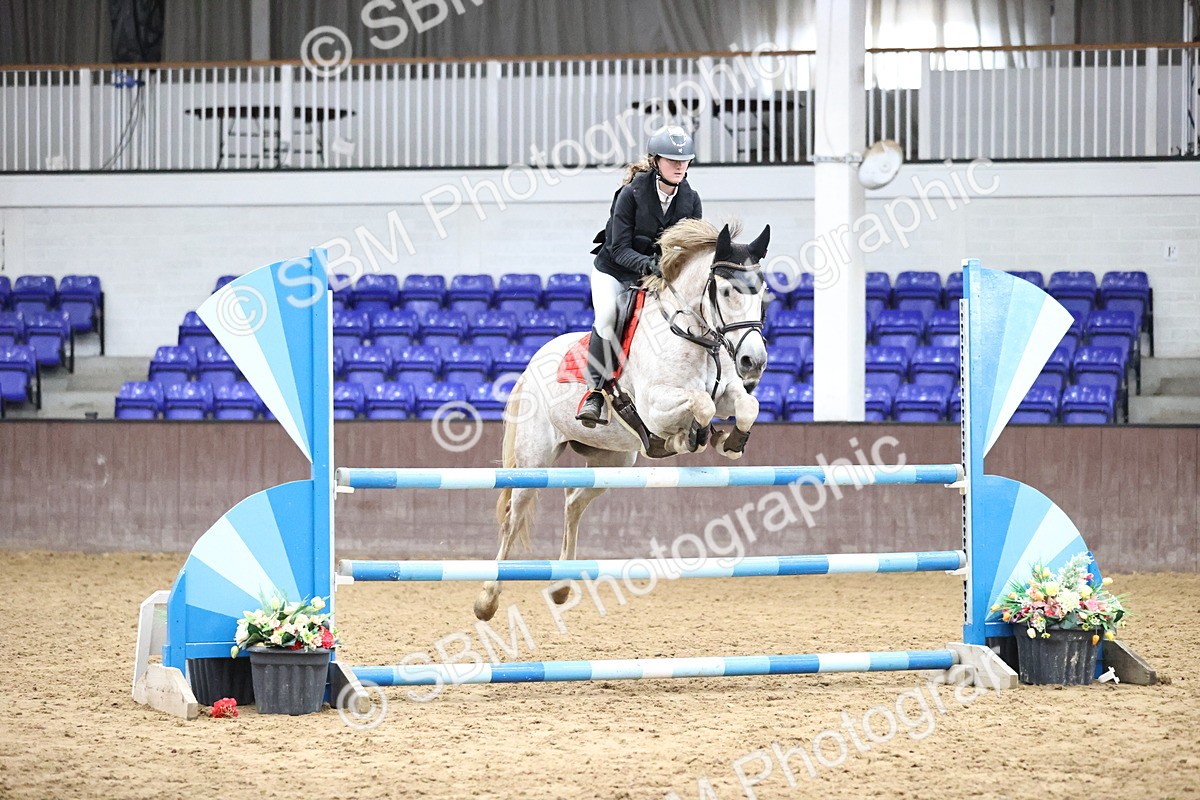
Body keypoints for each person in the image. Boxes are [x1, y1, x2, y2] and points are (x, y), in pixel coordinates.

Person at [577, 125, 703, 427]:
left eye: (684, 160)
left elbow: (690, 250)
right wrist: (651, 266)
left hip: (655, 277)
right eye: (672, 160)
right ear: (656, 161)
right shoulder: (631, 194)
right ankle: (595, 391)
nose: (679, 166)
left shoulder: (691, 199)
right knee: (608, 315)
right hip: (615, 271)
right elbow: (618, 248)